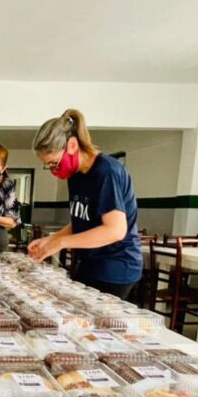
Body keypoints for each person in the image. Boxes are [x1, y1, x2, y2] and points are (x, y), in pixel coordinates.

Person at [28, 109, 142, 299]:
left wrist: (61, 242)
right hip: (90, 262)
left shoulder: (106, 171)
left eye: (55, 163)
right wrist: (52, 239)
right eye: (49, 165)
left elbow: (115, 230)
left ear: (72, 145)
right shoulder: (76, 175)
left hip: (116, 267)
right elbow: (83, 222)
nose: (53, 170)